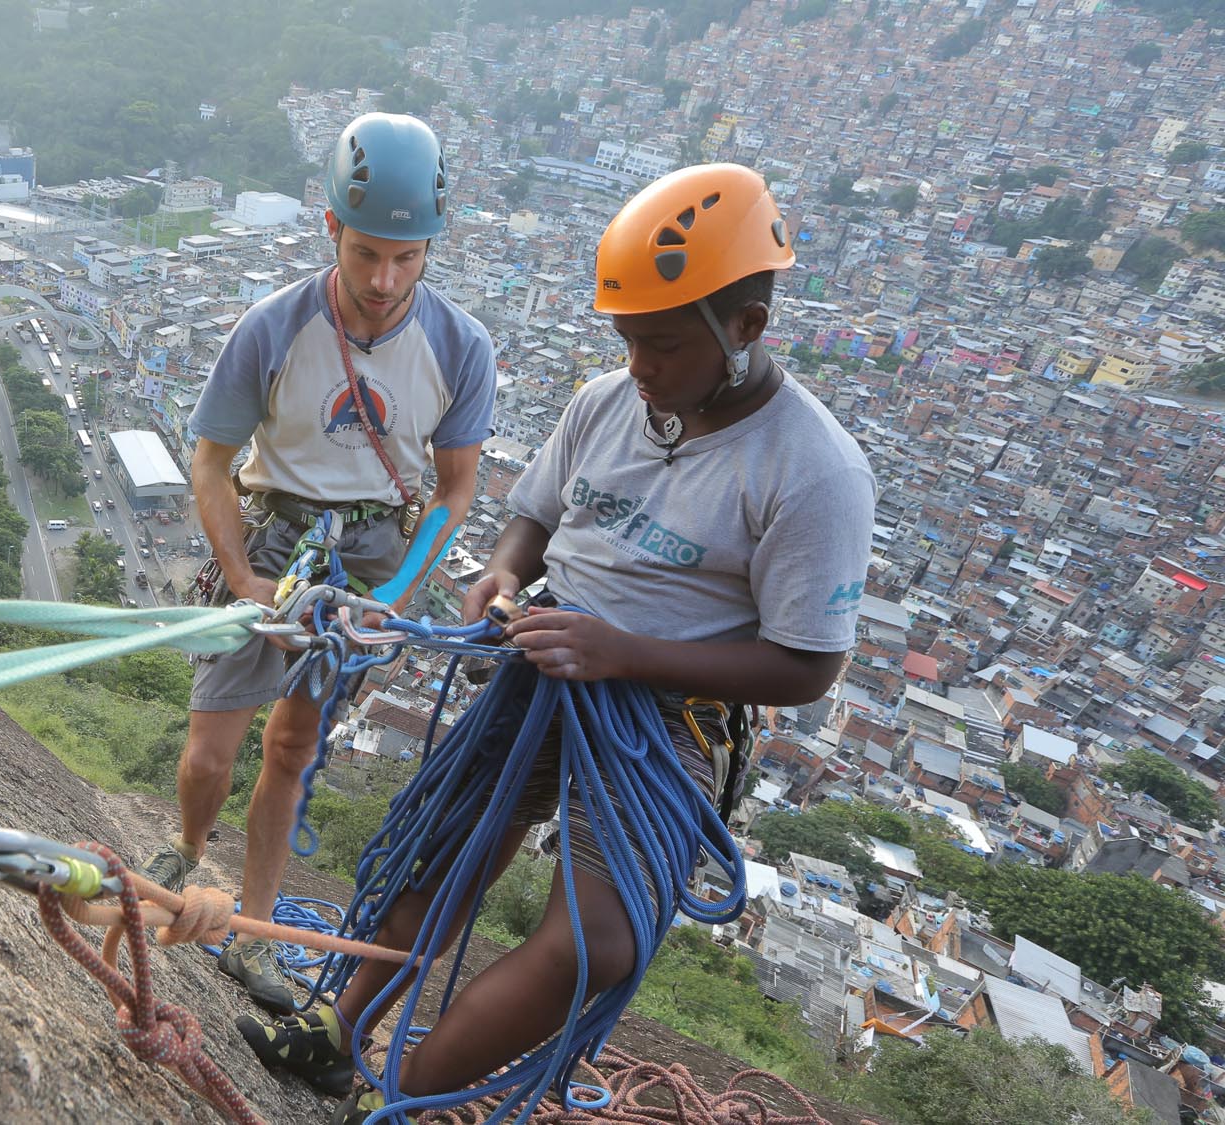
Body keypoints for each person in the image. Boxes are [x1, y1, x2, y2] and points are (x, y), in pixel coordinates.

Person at [237, 163, 877, 1123]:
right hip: (543, 659)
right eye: (625, 340)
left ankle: (403, 1102)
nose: (638, 366)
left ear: (744, 328)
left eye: (659, 343)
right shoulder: (607, 401)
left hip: (668, 712)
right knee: (444, 849)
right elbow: (531, 518)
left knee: (595, 943)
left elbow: (806, 664)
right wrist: (503, 572)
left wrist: (621, 651)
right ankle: (338, 1030)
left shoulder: (814, 469)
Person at [137, 112, 497, 1012]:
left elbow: (454, 492)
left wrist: (397, 594)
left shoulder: (461, 348)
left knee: (293, 747)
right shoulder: (272, 328)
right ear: (330, 227)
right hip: (272, 533)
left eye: (408, 258)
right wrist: (247, 575)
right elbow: (212, 460)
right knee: (212, 742)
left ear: (431, 249)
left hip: (373, 549)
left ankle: (251, 930)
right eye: (368, 252)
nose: (385, 281)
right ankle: (186, 845)